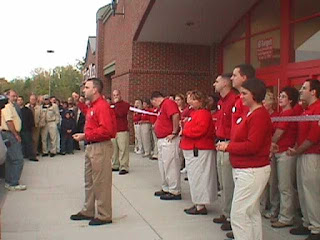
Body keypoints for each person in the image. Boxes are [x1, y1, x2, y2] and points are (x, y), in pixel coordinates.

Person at [216, 78, 272, 240]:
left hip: (252, 170)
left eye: (244, 93)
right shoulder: (251, 114)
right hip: (246, 169)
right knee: (251, 212)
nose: (241, 97)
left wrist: (229, 147)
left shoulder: (259, 115)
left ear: (255, 95)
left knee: (239, 214)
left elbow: (252, 146)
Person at [70, 78, 116, 226]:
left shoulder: (102, 106)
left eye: (87, 87)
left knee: (101, 182)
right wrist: (79, 103)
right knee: (89, 181)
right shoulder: (93, 106)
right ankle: (88, 210)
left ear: (95, 89)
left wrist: (85, 136)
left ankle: (104, 215)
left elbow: (107, 130)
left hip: (99, 147)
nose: (84, 90)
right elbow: (89, 114)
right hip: (91, 147)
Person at [287, 79, 320, 240]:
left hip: (312, 155)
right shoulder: (305, 110)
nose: (300, 90)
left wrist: (297, 151)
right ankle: (307, 223)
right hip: (301, 154)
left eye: (304, 88)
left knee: (311, 192)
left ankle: (316, 227)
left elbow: (313, 137)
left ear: (313, 92)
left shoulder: (318, 109)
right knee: (302, 189)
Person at [180, 90, 218, 215]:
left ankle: (200, 205)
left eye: (193, 99)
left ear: (200, 101)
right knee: (195, 176)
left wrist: (185, 130)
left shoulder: (203, 114)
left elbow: (199, 130)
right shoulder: (195, 113)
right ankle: (198, 202)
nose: (190, 101)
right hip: (194, 149)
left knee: (199, 176)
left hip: (199, 149)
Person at [268, 87, 300, 228]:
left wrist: (269, 146)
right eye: (279, 96)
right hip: (277, 152)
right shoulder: (281, 114)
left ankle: (286, 217)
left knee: (285, 186)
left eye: (283, 96)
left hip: (285, 153)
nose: (280, 98)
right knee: (275, 184)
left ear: (291, 100)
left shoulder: (289, 113)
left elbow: (278, 133)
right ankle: (276, 211)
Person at [212, 73, 237, 228]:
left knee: (229, 183)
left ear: (226, 83)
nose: (214, 84)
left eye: (217, 81)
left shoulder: (234, 100)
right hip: (220, 144)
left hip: (229, 144)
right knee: (223, 183)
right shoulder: (221, 102)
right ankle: (226, 211)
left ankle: (231, 216)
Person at [151, 91, 181, 200]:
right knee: (163, 165)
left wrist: (174, 131)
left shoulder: (168, 103)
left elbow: (175, 115)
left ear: (155, 99)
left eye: (153, 103)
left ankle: (174, 190)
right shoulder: (162, 107)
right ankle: (166, 187)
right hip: (162, 139)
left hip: (168, 140)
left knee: (170, 165)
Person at [0, 90, 27, 191]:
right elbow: (9, 121)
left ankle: (9, 181)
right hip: (10, 134)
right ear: (7, 96)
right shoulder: (7, 107)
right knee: (18, 159)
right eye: (13, 96)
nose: (15, 98)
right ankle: (13, 183)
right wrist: (16, 135)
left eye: (16, 96)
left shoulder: (11, 106)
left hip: (9, 134)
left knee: (10, 159)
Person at [111, 90, 130, 175]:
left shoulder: (125, 105)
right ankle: (115, 165)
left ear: (120, 95)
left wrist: (115, 106)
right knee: (114, 149)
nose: (115, 96)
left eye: (117, 95)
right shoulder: (111, 105)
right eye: (114, 95)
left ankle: (124, 166)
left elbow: (120, 113)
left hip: (122, 130)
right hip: (113, 130)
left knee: (123, 149)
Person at [17, 96, 38, 161]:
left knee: (29, 143)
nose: (19, 101)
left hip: (26, 129)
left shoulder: (27, 110)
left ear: (23, 101)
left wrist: (31, 127)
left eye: (21, 100)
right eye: (18, 100)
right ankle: (23, 155)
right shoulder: (15, 110)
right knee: (20, 143)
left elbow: (31, 120)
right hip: (17, 129)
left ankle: (31, 156)